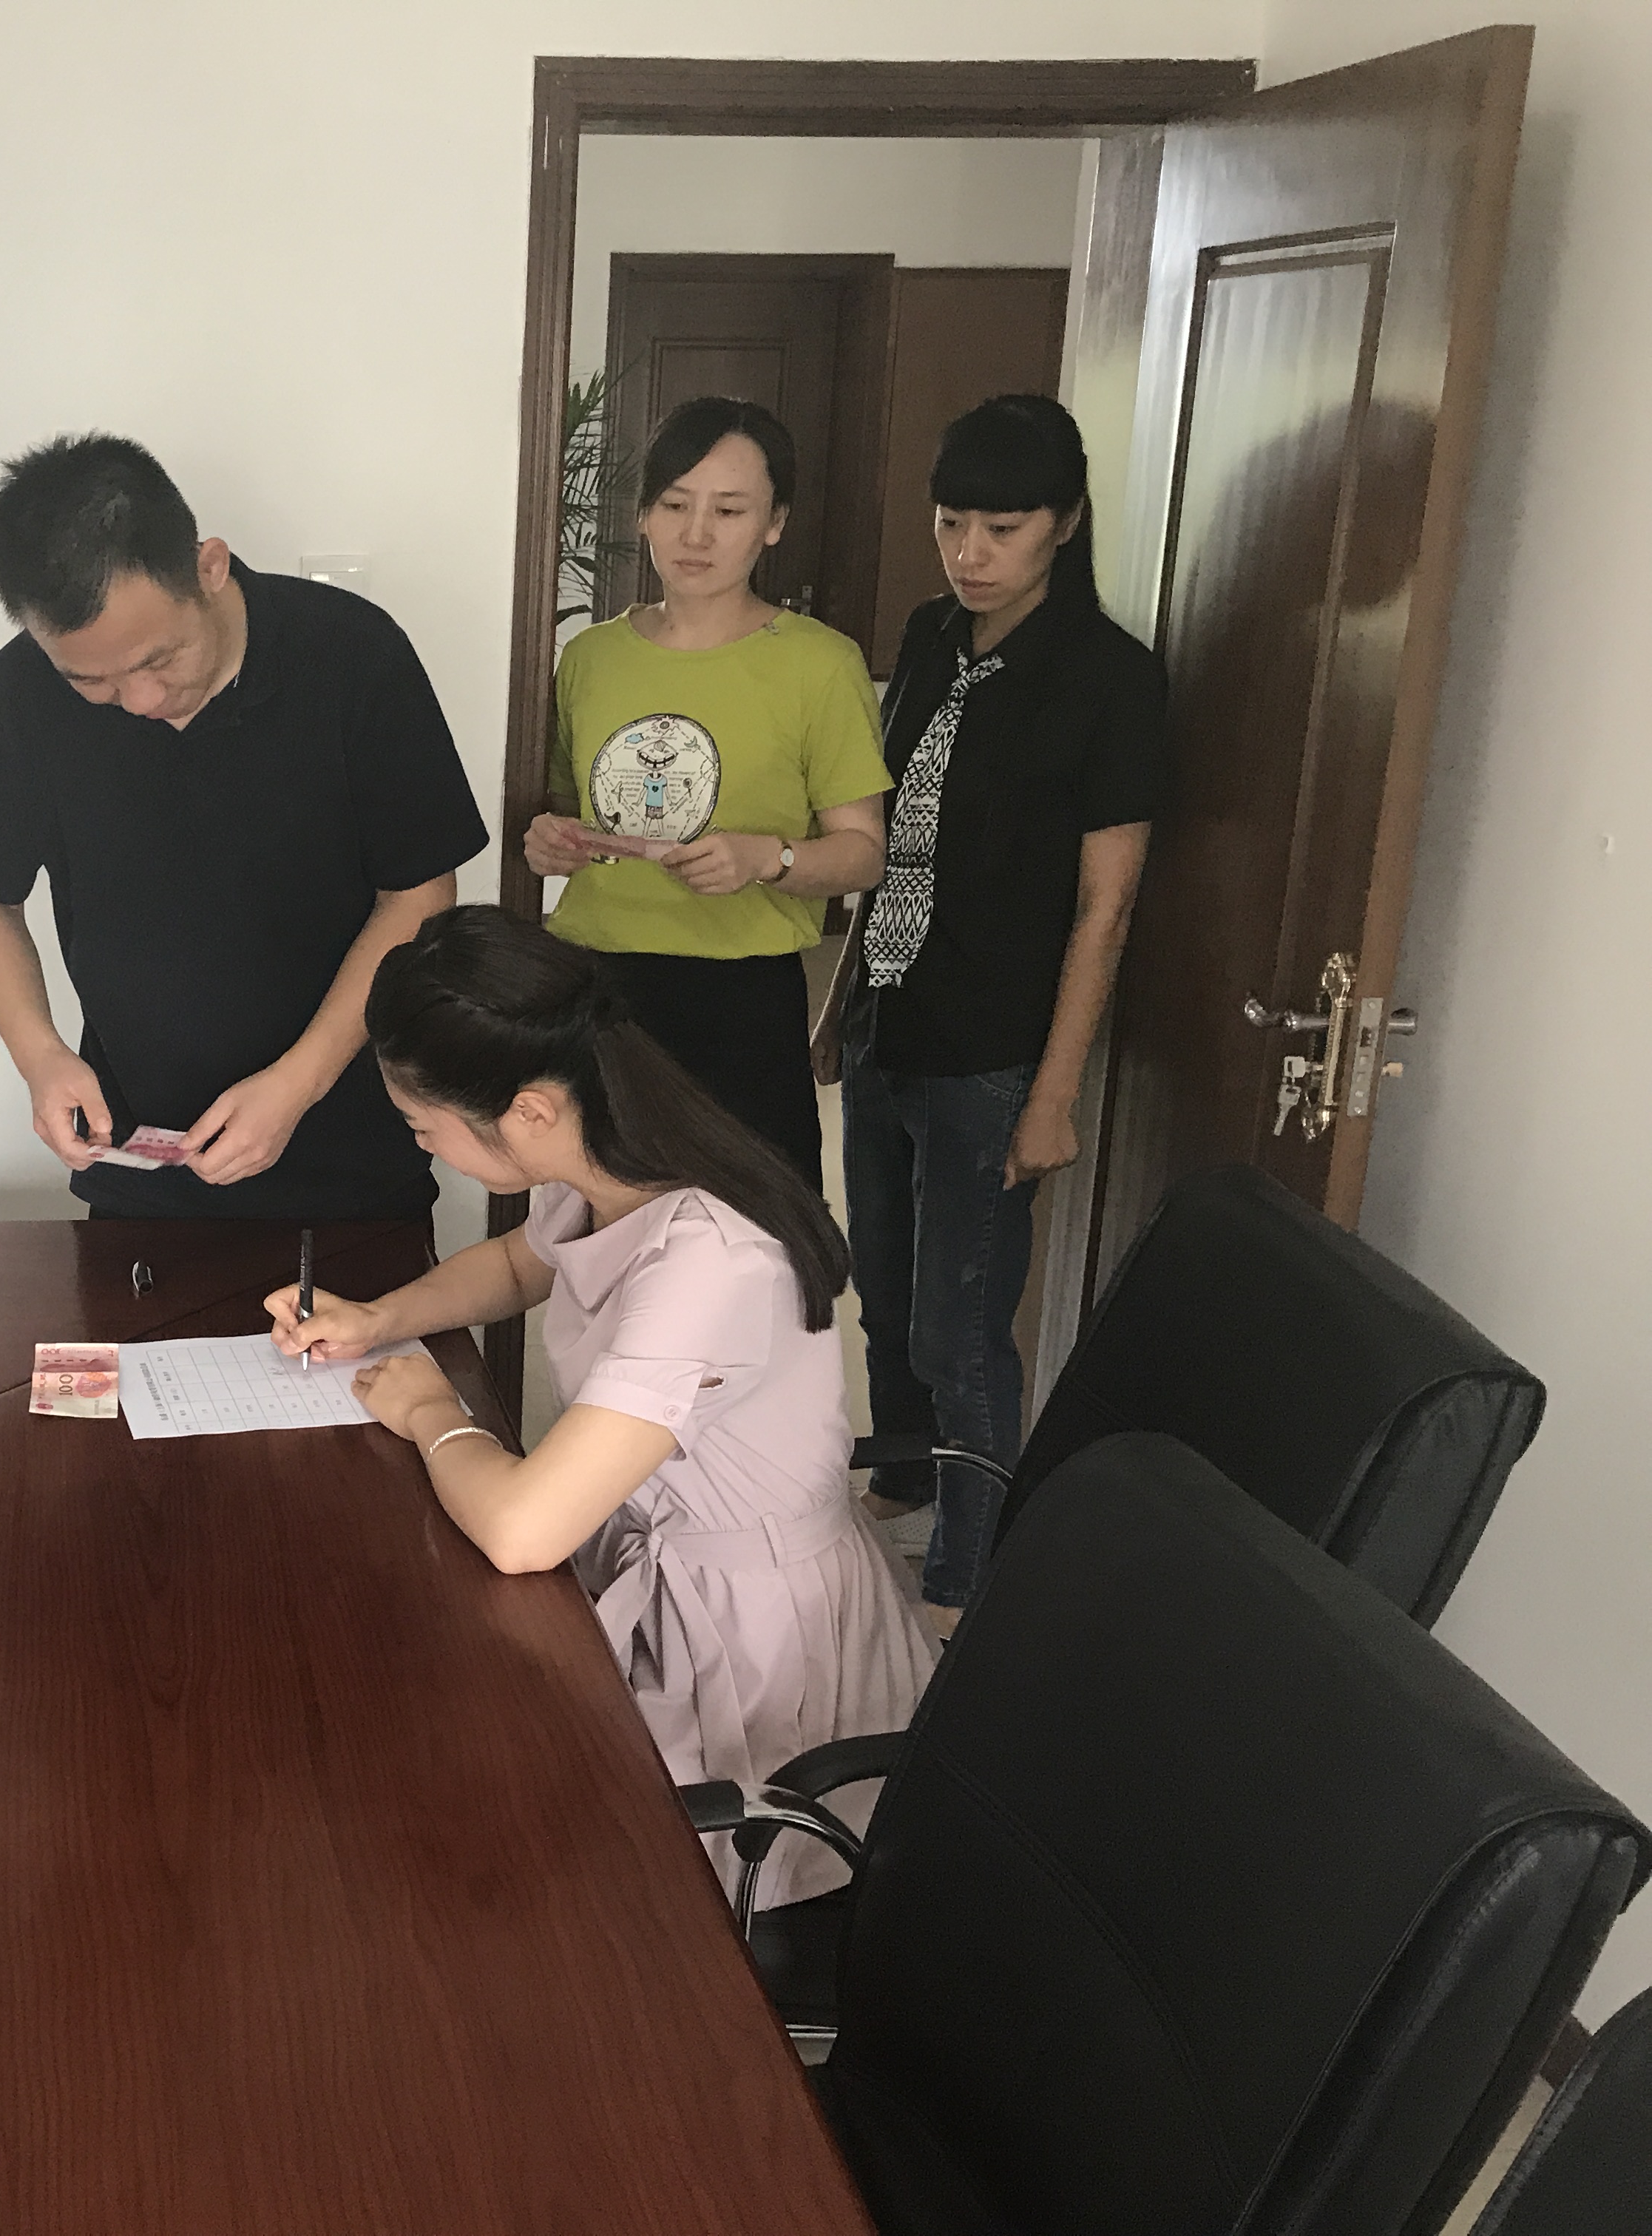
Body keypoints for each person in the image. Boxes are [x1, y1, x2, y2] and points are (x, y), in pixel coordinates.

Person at [271, 905, 932, 1902]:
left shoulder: (706, 1261)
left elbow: (525, 1531)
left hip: (753, 1659)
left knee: (477, 1839)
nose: (426, 1148)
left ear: (530, 1110)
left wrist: (429, 1411)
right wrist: (379, 1319)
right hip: (658, 1573)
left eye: (426, 1128)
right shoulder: (608, 1160)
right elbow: (520, 1264)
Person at [0, 435, 487, 1220]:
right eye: (90, 680)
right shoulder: (19, 692)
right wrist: (41, 1056)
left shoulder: (351, 654)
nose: (140, 701)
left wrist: (297, 1084)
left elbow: (419, 891)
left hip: (352, 1154)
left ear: (210, 567)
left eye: (160, 660)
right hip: (135, 1161)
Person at [837, 394, 1167, 1632]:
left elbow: (1106, 907)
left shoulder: (1109, 678)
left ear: (1064, 523)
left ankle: (969, 1571)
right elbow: (888, 841)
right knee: (880, 1286)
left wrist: (1053, 1092)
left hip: (991, 1048)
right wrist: (844, 1000)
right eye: (950, 523)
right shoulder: (931, 634)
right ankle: (905, 1477)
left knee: (959, 1324)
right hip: (888, 1014)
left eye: (1003, 527)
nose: (969, 553)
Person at [522, 396, 889, 1193]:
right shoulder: (590, 658)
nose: (696, 534)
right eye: (674, 505)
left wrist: (770, 859)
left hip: (740, 1002)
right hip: (597, 991)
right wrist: (549, 839)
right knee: (601, 1224)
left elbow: (863, 854)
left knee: (753, 1231)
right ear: (643, 514)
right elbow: (567, 809)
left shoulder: (820, 664)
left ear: (774, 524)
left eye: (728, 511)